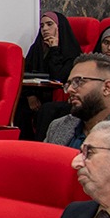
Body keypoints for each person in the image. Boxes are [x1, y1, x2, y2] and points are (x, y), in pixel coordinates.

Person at [42, 53, 110, 150]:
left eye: (78, 82)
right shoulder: (58, 126)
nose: (70, 89)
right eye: (69, 84)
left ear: (107, 88)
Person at [17, 12, 80, 141]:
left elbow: (59, 77)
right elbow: (24, 74)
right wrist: (30, 96)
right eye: (42, 26)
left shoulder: (72, 51)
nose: (45, 29)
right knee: (19, 107)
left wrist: (54, 49)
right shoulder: (36, 48)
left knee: (47, 110)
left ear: (59, 27)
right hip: (36, 94)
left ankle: (41, 145)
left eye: (49, 24)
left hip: (60, 97)